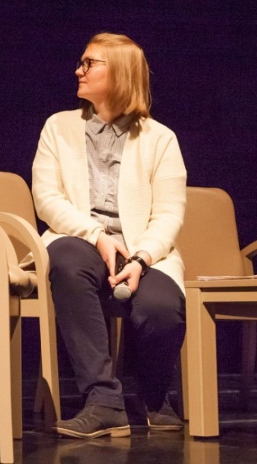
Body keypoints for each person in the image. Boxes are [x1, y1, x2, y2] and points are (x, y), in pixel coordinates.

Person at [32, 32, 187, 438]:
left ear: (119, 73)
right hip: (81, 240)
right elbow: (46, 198)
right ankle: (102, 400)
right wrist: (97, 235)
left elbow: (169, 214)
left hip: (143, 251)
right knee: (66, 262)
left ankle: (153, 395)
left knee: (160, 308)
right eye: (81, 62)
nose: (78, 70)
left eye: (89, 63)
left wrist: (141, 258)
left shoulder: (160, 139)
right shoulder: (58, 127)